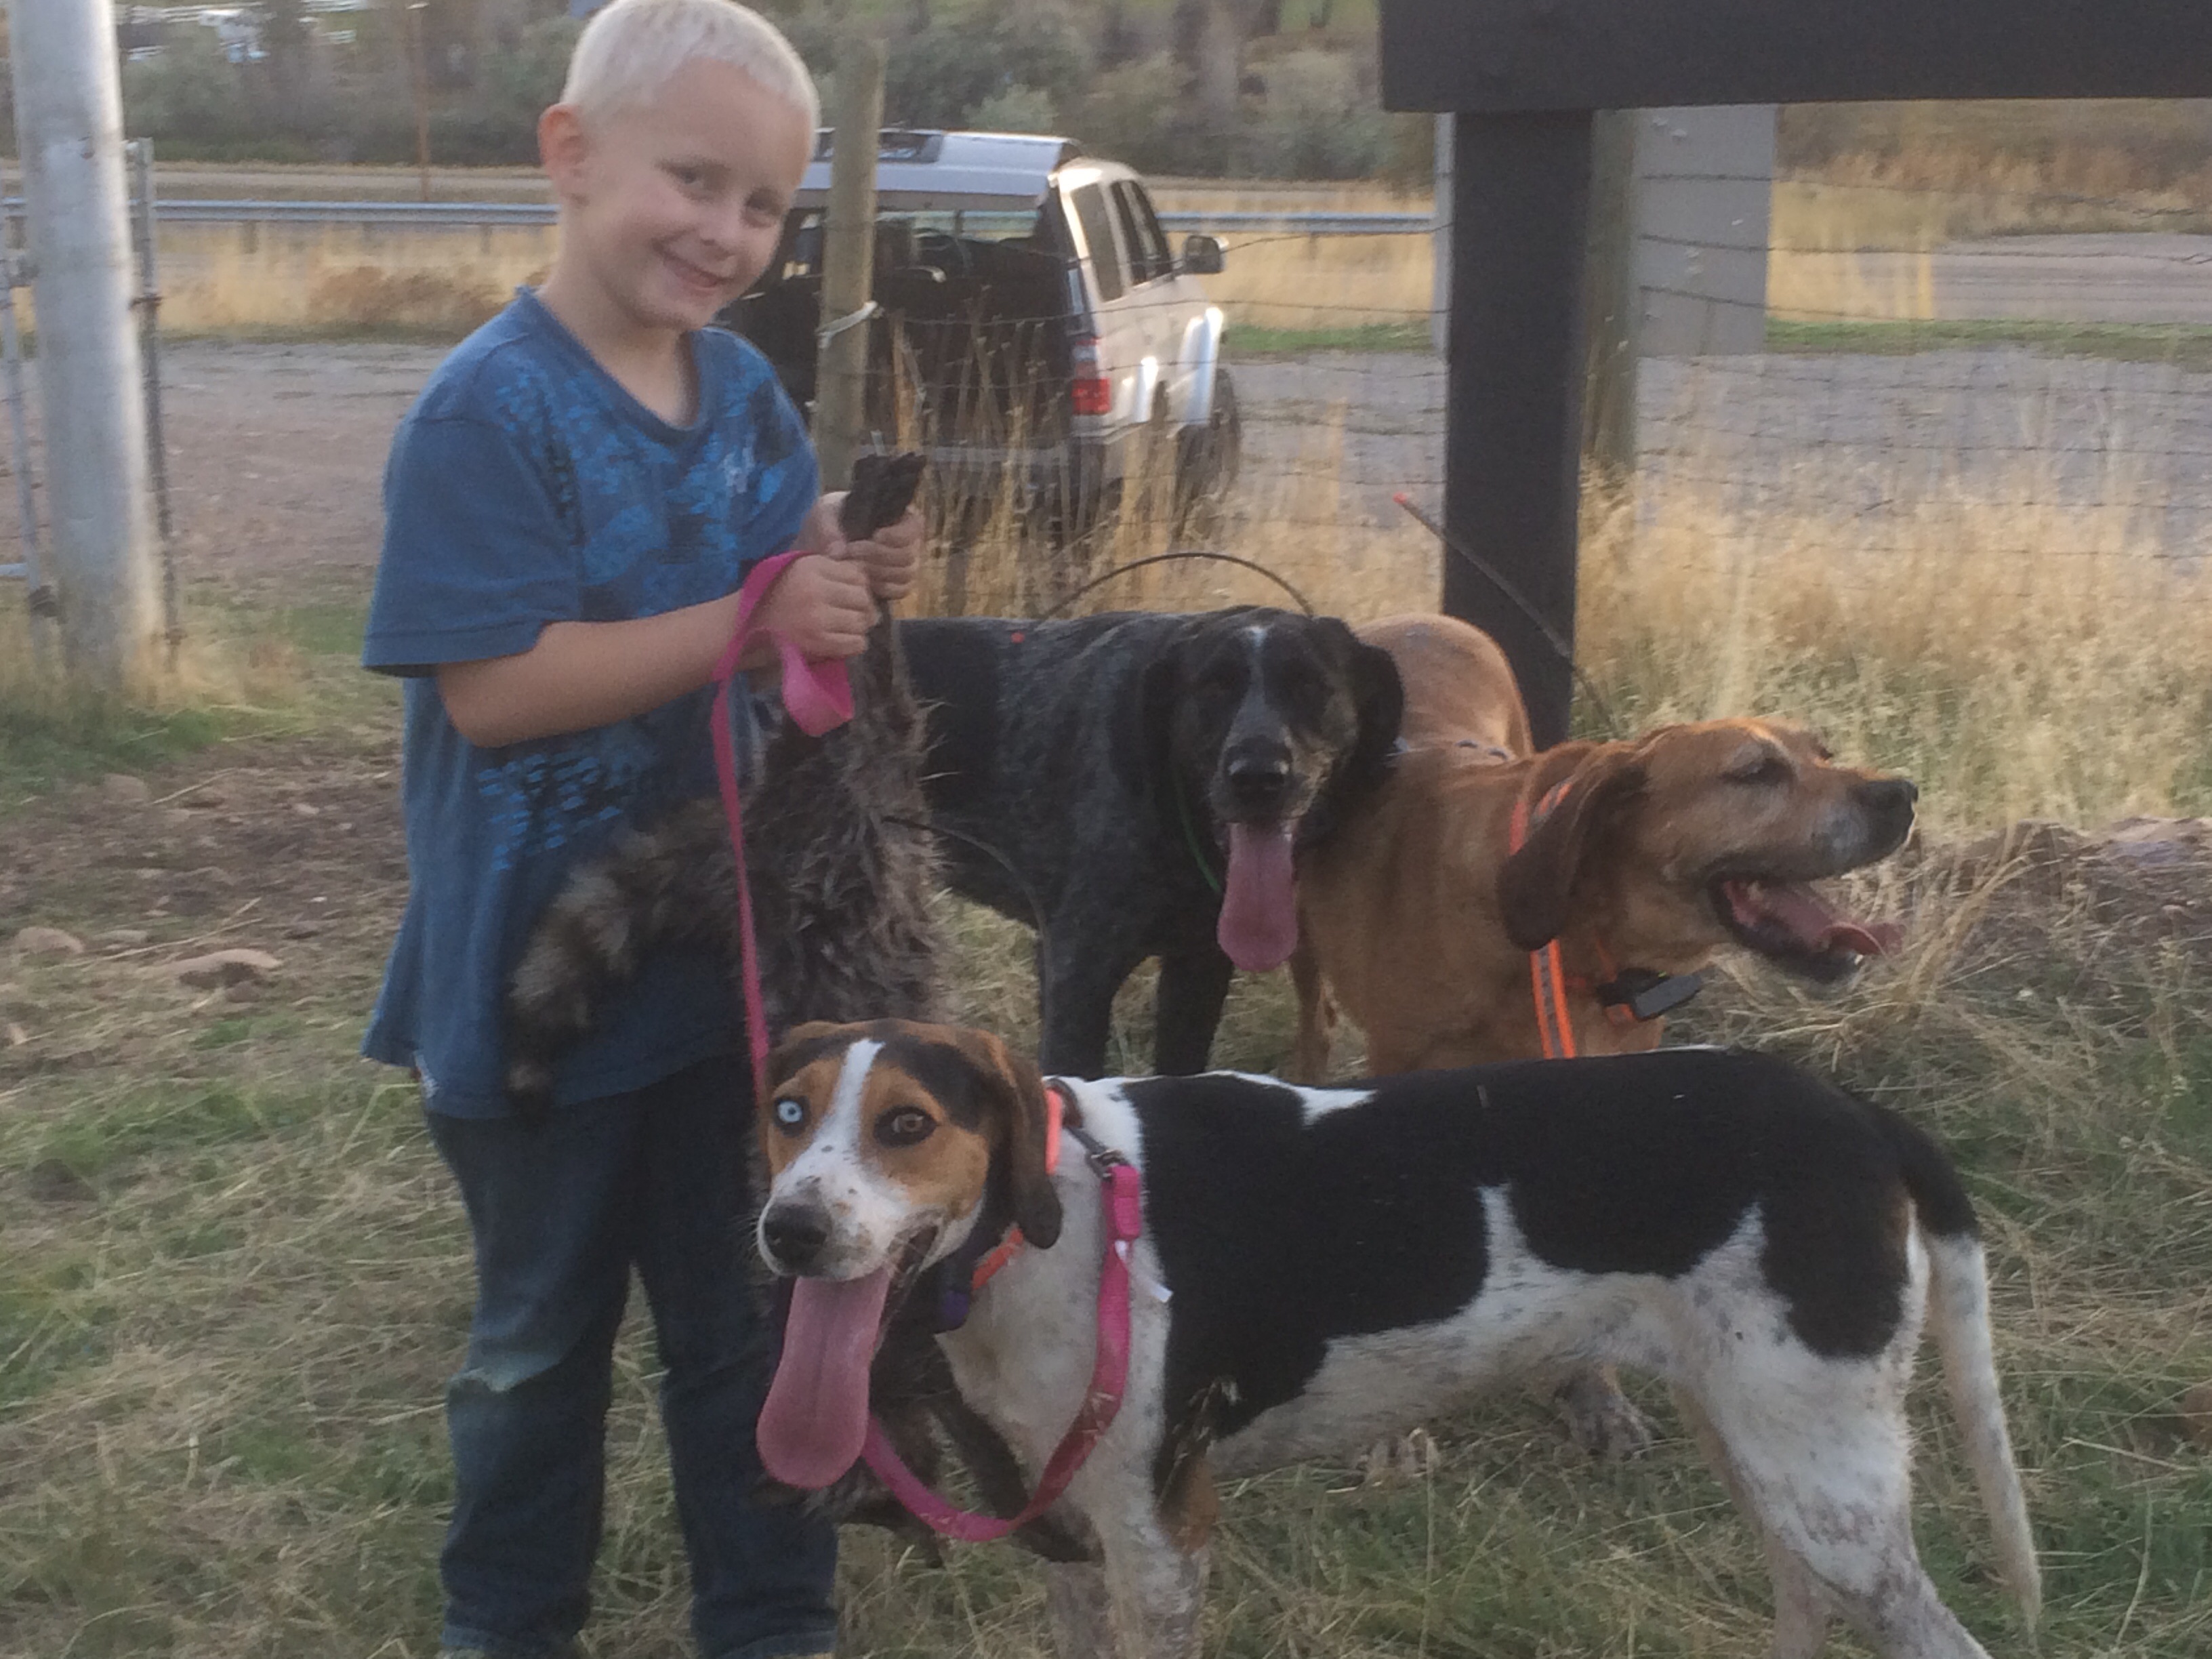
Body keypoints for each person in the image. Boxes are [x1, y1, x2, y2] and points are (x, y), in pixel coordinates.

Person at [359, 3, 918, 1654]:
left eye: (763, 205)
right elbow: (495, 689)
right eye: (694, 178)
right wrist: (750, 621)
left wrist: (836, 556)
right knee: (536, 1349)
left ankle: (771, 1621)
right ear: (571, 153)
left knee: (744, 1324)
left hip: (727, 985)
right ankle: (508, 1623)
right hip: (531, 983)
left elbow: (769, 568)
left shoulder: (741, 394)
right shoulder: (487, 413)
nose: (727, 231)